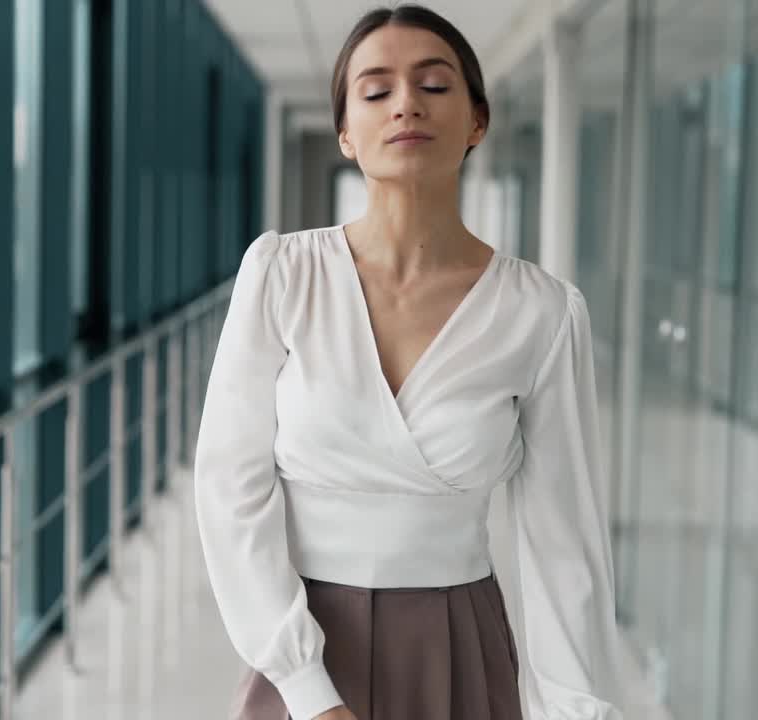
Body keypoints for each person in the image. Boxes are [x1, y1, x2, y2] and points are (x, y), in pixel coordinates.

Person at [194, 5, 623, 719]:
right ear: (346, 134)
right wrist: (305, 687)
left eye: (434, 85)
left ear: (476, 120)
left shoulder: (541, 313)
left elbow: (564, 545)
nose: (406, 106)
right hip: (302, 643)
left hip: (459, 646)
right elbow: (228, 487)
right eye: (375, 90)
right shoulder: (282, 274)